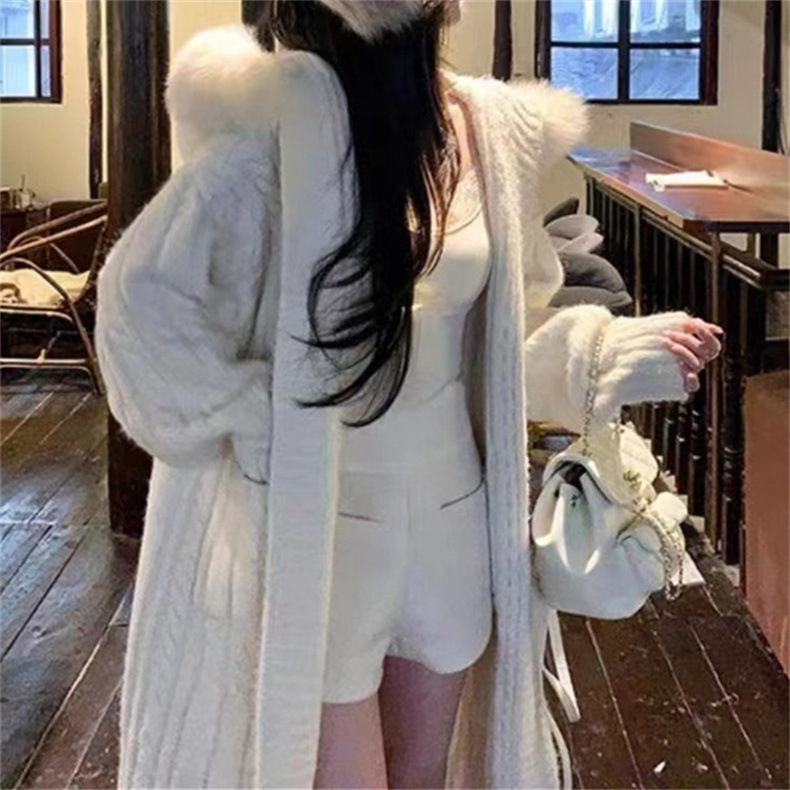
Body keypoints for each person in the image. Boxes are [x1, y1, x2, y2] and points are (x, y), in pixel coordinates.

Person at [95, 2, 723, 788]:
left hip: (452, 515)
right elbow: (141, 312)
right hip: (322, 530)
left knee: (426, 774)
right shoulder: (274, 118)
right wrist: (259, 424)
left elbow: (505, 342)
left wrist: (608, 354)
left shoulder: (489, 130)